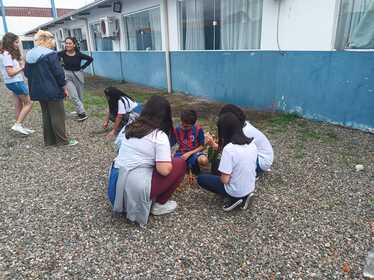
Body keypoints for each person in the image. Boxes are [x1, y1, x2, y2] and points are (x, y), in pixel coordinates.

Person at [107, 96, 186, 226]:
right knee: (180, 163)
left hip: (115, 189)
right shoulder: (159, 136)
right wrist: (167, 160)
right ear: (166, 116)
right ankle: (159, 205)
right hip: (134, 190)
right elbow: (164, 170)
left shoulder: (131, 127)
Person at [24, 30, 78, 146]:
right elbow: (58, 73)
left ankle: (49, 141)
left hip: (37, 90)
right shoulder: (51, 54)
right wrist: (64, 87)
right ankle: (62, 141)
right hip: (52, 89)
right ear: (48, 41)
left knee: (46, 114)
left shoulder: (29, 54)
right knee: (57, 115)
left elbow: (27, 74)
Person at [197, 113, 257, 211]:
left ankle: (234, 199)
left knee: (201, 178)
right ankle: (245, 196)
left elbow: (224, 180)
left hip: (234, 190)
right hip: (250, 186)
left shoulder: (229, 149)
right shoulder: (252, 143)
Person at [206, 104, 274, 174]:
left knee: (226, 162)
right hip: (260, 156)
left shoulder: (244, 132)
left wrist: (213, 144)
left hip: (262, 160)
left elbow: (231, 152)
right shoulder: (241, 125)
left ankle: (251, 174)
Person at [1, 32, 33, 135]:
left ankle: (19, 125)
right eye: (16, 42)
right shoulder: (6, 55)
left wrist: (19, 63)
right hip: (15, 82)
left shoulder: (6, 53)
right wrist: (22, 67)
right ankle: (18, 124)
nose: (17, 44)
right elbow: (10, 73)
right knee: (29, 103)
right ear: (9, 42)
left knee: (19, 104)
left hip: (13, 82)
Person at [58, 37, 93, 122]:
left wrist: (83, 67)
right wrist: (60, 66)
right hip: (67, 75)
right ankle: (82, 113)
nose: (67, 45)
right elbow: (55, 60)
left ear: (74, 44)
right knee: (73, 95)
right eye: (66, 43)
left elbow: (90, 59)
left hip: (78, 75)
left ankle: (78, 110)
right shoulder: (61, 53)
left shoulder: (79, 54)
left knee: (79, 95)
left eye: (70, 43)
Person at [172, 109, 208, 174]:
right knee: (173, 164)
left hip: (194, 152)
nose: (183, 127)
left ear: (193, 124)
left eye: (186, 126)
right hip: (181, 153)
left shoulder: (198, 129)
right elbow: (171, 144)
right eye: (182, 124)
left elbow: (202, 146)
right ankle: (186, 167)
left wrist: (189, 153)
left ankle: (192, 167)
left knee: (204, 160)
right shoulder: (177, 130)